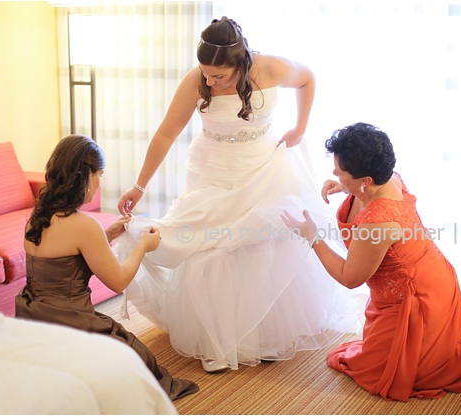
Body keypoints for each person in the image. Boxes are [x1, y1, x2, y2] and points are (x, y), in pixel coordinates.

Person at [112, 17, 357, 373]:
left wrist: (300, 127)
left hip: (264, 167)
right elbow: (166, 133)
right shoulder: (196, 81)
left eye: (218, 76)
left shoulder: (270, 67)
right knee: (210, 247)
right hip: (214, 172)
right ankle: (217, 339)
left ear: (239, 62)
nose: (210, 82)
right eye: (205, 74)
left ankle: (266, 334)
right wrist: (139, 185)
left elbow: (307, 78)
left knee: (263, 245)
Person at [281, 122, 461, 402]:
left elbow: (349, 278)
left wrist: (313, 236)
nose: (333, 173)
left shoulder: (377, 224)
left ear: (365, 180)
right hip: (433, 271)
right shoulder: (389, 177)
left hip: (415, 300)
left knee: (376, 370)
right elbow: (368, 195)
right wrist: (345, 186)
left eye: (339, 172)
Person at [15, 135, 198, 401]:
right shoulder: (83, 224)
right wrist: (143, 246)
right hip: (69, 320)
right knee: (138, 358)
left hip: (32, 317)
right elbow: (118, 281)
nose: (99, 182)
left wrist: (106, 235)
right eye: (99, 175)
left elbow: (66, 256)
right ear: (85, 176)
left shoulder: (39, 215)